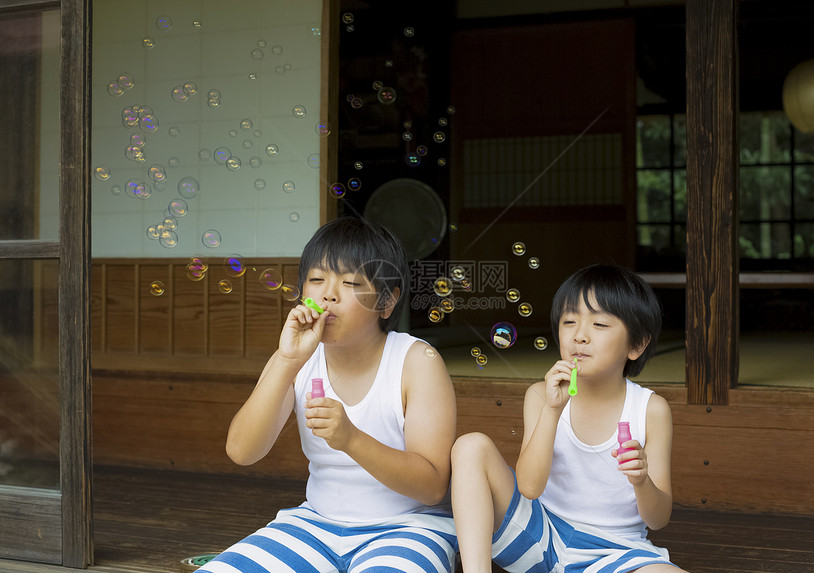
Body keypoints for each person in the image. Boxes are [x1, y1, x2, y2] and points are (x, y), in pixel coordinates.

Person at [198, 217, 458, 573]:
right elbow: (242, 451)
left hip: (408, 527)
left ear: (386, 302)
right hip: (313, 525)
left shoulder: (416, 361)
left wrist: (351, 439)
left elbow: (432, 487)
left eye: (350, 282)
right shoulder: (295, 358)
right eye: (317, 280)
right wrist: (287, 361)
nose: (328, 294)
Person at [451, 264, 687, 572]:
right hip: (540, 539)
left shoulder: (651, 410)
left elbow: (658, 518)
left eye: (600, 324)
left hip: (615, 552)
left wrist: (641, 480)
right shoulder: (541, 396)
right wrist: (552, 411)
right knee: (470, 446)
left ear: (636, 344)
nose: (580, 335)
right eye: (569, 321)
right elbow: (530, 488)